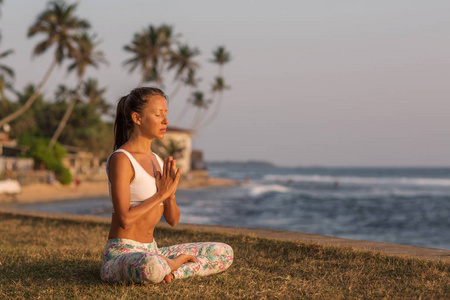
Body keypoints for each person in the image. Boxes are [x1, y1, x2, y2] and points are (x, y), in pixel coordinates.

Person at [100, 87, 233, 284]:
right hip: (123, 253)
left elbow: (173, 220)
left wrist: (170, 195)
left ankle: (171, 271)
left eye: (166, 113)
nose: (165, 120)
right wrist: (161, 194)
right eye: (157, 114)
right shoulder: (122, 159)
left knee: (224, 252)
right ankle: (171, 265)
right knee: (150, 266)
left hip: (152, 250)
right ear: (137, 118)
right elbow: (125, 219)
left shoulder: (158, 161)